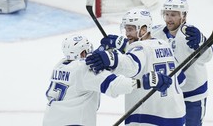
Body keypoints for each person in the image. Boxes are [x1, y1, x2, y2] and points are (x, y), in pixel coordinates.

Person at [43, 34, 172, 126]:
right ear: (82, 53)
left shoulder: (60, 66)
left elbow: (90, 74)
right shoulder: (84, 70)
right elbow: (114, 85)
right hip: (74, 123)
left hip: (50, 120)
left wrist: (104, 52)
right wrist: (142, 82)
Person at [86, 8, 186, 125]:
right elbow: (181, 79)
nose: (127, 34)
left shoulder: (140, 48)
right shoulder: (164, 45)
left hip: (150, 116)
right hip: (176, 113)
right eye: (126, 29)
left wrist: (109, 58)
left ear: (143, 29)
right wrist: (124, 47)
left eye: (131, 29)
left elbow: (130, 65)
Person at [151, 0, 213, 126]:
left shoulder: (191, 33)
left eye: (173, 15)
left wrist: (200, 42)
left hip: (193, 93)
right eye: (166, 14)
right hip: (170, 93)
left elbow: (207, 57)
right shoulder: (157, 33)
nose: (169, 18)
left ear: (183, 16)